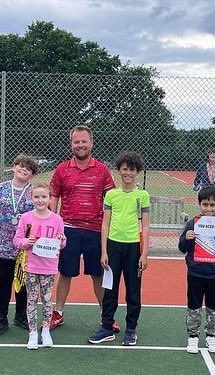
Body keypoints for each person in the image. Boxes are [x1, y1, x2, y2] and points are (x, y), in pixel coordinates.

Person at [49, 125, 116, 330]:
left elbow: (111, 200)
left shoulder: (102, 170)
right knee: (65, 272)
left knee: (98, 273)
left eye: (83, 141)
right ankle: (58, 313)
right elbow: (54, 197)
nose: (80, 145)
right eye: (76, 141)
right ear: (71, 144)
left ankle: (106, 317)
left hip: (95, 230)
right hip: (68, 229)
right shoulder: (62, 169)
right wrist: (53, 224)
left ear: (91, 143)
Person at [89, 152, 150, 346]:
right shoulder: (111, 195)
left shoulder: (143, 196)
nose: (128, 173)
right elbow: (105, 224)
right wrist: (104, 251)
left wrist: (144, 253)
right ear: (119, 171)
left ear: (137, 171)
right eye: (125, 169)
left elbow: (146, 226)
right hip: (113, 247)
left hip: (133, 248)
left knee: (133, 291)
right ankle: (107, 327)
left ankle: (131, 329)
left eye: (132, 169)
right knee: (110, 290)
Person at [0, 155, 38, 336]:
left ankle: (21, 315)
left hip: (25, 245)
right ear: (14, 167)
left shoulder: (34, 192)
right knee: (5, 281)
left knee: (22, 281)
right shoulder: (1, 189)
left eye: (28, 169)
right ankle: (1, 318)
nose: (24, 170)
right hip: (4, 244)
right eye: (21, 166)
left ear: (31, 174)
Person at [178, 185, 215, 354]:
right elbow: (182, 247)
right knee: (194, 305)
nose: (208, 208)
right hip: (195, 272)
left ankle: (211, 336)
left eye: (212, 205)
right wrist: (187, 239)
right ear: (199, 205)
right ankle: (193, 336)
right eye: (205, 204)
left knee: (213, 306)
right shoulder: (192, 224)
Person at [13, 181, 66, 350]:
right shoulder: (26, 218)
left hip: (49, 267)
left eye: (44, 196)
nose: (40, 200)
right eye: (37, 197)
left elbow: (62, 241)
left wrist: (62, 241)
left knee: (47, 300)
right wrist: (27, 242)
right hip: (31, 267)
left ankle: (45, 331)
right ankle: (33, 333)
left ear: (50, 198)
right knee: (31, 299)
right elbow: (17, 240)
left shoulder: (57, 219)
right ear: (31, 198)